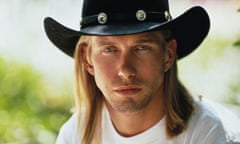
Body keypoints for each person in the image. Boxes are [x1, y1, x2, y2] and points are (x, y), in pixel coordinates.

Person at [43, 0, 240, 143]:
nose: (125, 71)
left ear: (168, 55)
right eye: (109, 49)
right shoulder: (75, 135)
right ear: (87, 59)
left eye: (142, 48)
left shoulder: (205, 132)